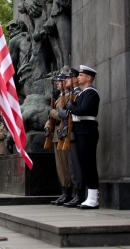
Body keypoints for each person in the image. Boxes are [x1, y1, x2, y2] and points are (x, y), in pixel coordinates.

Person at [63, 65, 100, 209]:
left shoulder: (91, 93)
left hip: (87, 130)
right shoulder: (83, 93)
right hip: (80, 131)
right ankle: (90, 197)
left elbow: (82, 110)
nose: (78, 77)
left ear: (89, 78)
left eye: (81, 75)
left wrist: (71, 107)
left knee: (89, 164)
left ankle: (93, 197)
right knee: (84, 164)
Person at [44, 71, 73, 206]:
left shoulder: (70, 96)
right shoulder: (58, 98)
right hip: (56, 134)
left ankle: (68, 192)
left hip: (64, 133)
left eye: (60, 81)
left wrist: (51, 112)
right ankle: (64, 192)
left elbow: (62, 114)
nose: (57, 83)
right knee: (59, 166)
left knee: (65, 165)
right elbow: (51, 117)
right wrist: (46, 125)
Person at [61, 68, 84, 208]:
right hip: (69, 132)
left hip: (76, 131)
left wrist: (62, 112)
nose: (65, 81)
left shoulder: (79, 94)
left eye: (69, 78)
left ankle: (80, 194)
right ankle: (76, 193)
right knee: (71, 166)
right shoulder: (69, 95)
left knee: (77, 165)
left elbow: (71, 112)